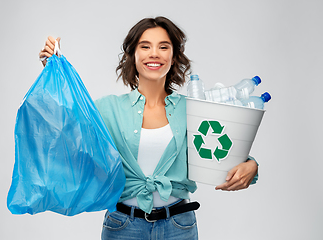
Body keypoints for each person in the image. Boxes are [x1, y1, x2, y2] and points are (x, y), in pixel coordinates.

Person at [39, 16, 258, 240]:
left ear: (173, 58)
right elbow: (68, 134)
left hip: (179, 227)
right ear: (133, 56)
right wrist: (54, 72)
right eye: (145, 46)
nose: (154, 53)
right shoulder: (108, 108)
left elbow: (226, 150)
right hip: (123, 226)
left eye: (163, 47)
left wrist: (252, 166)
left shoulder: (192, 109)